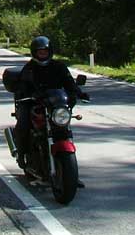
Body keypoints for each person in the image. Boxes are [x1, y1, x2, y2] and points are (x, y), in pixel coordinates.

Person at [11, 35, 85, 175]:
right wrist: (27, 93)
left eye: (45, 51)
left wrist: (79, 93)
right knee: (23, 125)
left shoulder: (59, 66)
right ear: (34, 52)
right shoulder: (30, 68)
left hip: (54, 104)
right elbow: (22, 86)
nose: (43, 54)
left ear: (50, 51)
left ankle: (70, 173)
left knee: (63, 129)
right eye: (40, 52)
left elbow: (69, 82)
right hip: (33, 103)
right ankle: (22, 155)